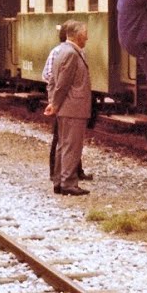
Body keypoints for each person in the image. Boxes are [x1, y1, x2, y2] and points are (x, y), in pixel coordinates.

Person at [44, 20, 92, 196]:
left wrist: (53, 102)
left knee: (63, 146)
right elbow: (62, 84)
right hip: (73, 108)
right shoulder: (71, 53)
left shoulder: (62, 51)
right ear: (78, 36)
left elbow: (53, 81)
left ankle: (59, 182)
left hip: (67, 107)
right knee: (72, 147)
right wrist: (55, 104)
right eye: (85, 34)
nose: (87, 37)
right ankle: (68, 184)